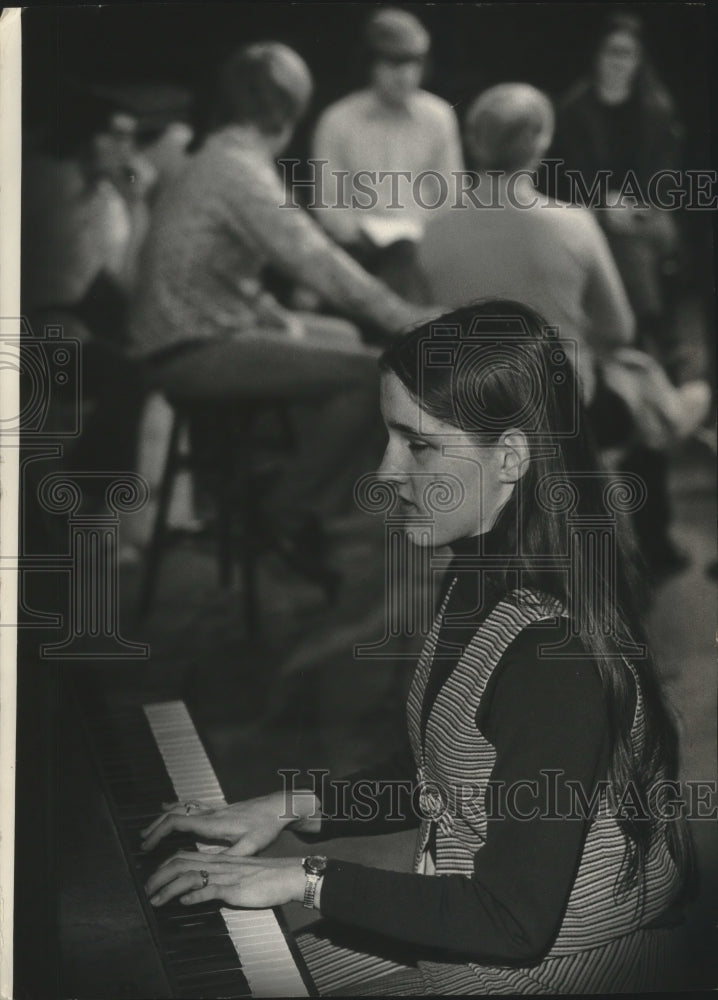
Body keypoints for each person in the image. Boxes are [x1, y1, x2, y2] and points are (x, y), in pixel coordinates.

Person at [140, 301, 695, 995]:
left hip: (544, 965)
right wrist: (292, 807)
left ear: (512, 457)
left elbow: (513, 920)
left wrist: (304, 878)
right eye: (388, 438)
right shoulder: (481, 567)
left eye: (418, 445)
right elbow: (447, 771)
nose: (385, 472)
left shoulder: (551, 658)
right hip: (474, 928)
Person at [130, 43, 427, 593]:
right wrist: (407, 317)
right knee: (378, 376)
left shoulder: (222, 157)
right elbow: (316, 260)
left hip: (196, 331)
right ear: (289, 110)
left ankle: (302, 502)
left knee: (336, 337)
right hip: (189, 348)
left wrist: (273, 315)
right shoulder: (238, 170)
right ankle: (282, 515)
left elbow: (216, 271)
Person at [552, 13, 710, 576]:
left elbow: (665, 183)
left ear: (638, 61)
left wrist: (639, 207)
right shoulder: (572, 111)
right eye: (610, 52)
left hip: (641, 237)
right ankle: (650, 346)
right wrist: (603, 206)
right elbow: (560, 187)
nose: (618, 64)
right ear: (597, 56)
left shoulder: (656, 108)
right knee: (631, 369)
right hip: (589, 239)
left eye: (628, 55)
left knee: (640, 258)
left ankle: (652, 533)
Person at [419, 82, 634, 430]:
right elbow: (619, 328)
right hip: (556, 396)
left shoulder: (432, 229)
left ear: (472, 142)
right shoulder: (576, 224)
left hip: (464, 399)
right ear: (541, 142)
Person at [311, 7, 464, 302]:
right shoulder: (337, 120)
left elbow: (451, 198)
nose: (405, 75)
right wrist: (364, 236)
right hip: (356, 252)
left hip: (421, 252)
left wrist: (417, 235)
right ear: (370, 63)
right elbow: (327, 205)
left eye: (413, 63)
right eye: (394, 63)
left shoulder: (440, 118)